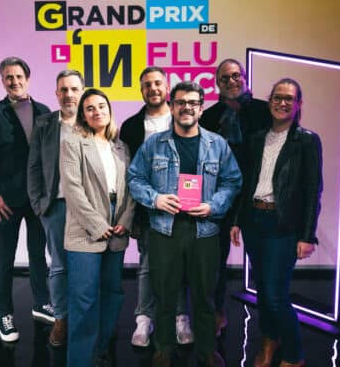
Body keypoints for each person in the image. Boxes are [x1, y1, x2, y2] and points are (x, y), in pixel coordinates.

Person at [128, 81, 242, 367]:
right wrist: (155, 199)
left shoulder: (217, 144)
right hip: (164, 230)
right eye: (181, 102)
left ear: (201, 109)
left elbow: (232, 181)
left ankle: (207, 351)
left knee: (204, 296)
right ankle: (164, 349)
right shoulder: (154, 144)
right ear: (172, 106)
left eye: (193, 103)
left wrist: (213, 205)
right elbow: (135, 178)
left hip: (205, 230)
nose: (187, 107)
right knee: (164, 295)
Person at [230, 78, 323, 367]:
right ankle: (270, 340)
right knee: (263, 291)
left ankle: (294, 356)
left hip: (283, 226)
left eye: (289, 98)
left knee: (274, 296)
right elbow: (247, 183)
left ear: (298, 104)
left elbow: (313, 191)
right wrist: (237, 220)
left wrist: (307, 235)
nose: (282, 103)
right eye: (277, 97)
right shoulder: (257, 138)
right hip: (254, 221)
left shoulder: (306, 140)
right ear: (269, 101)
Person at [0, 57, 53, 342]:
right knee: (4, 259)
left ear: (27, 78)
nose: (14, 81)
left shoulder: (44, 112)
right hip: (6, 203)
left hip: (38, 200)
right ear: (2, 81)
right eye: (9, 77)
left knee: (38, 254)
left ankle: (41, 303)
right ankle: (4, 315)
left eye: (19, 76)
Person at [60, 88, 135, 366]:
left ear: (109, 110)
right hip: (85, 226)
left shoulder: (121, 146)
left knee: (113, 294)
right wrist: (96, 223)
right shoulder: (73, 142)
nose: (97, 111)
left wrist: (125, 220)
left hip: (117, 223)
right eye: (90, 108)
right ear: (83, 115)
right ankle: (80, 361)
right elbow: (72, 188)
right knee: (84, 299)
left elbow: (131, 188)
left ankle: (99, 352)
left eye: (101, 106)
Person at [120, 66, 193, 347]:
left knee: (181, 266)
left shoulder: (183, 119)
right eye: (147, 84)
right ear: (141, 90)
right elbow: (128, 175)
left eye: (157, 83)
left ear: (167, 87)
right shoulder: (130, 126)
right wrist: (132, 216)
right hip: (147, 210)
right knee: (148, 265)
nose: (153, 88)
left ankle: (181, 318)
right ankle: (144, 319)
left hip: (182, 208)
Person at [199, 58, 271, 335]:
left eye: (236, 75)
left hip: (257, 198)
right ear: (217, 83)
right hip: (221, 199)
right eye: (225, 78)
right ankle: (216, 313)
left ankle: (271, 325)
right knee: (215, 263)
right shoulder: (209, 117)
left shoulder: (265, 111)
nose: (231, 81)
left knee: (263, 266)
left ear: (244, 77)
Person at [27, 70, 85, 347]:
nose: (69, 95)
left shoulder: (94, 119)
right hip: (56, 207)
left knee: (86, 267)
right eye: (64, 89)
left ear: (82, 91)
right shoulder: (44, 123)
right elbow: (34, 166)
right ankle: (61, 318)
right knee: (59, 267)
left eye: (74, 89)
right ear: (56, 93)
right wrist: (39, 204)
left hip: (88, 209)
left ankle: (85, 318)